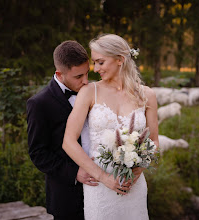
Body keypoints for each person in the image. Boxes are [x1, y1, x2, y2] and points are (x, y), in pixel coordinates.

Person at [62, 34, 159, 219]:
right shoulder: (89, 92)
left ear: (120, 60)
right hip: (99, 186)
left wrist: (139, 170)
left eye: (100, 62)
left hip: (134, 185)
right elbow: (68, 141)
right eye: (95, 63)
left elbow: (154, 141)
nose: (95, 69)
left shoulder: (147, 95)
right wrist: (103, 177)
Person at [26, 40, 98, 220]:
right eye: (78, 76)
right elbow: (38, 153)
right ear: (60, 73)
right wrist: (74, 173)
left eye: (87, 73)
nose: (86, 81)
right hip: (66, 195)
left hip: (101, 187)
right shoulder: (39, 104)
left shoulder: (94, 91)